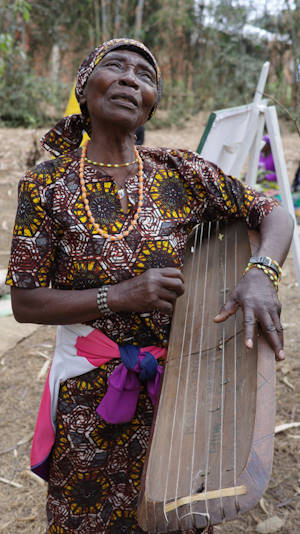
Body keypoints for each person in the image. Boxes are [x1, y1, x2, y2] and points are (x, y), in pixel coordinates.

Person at [6, 38, 293, 534]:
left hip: (180, 392)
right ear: (85, 86)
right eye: (114, 66)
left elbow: (273, 213)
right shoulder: (45, 186)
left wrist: (261, 274)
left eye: (145, 75)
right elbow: (26, 302)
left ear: (152, 102)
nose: (129, 79)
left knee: (175, 516)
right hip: (88, 397)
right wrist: (117, 295)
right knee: (86, 520)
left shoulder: (179, 172)